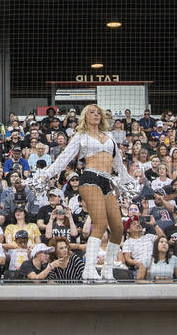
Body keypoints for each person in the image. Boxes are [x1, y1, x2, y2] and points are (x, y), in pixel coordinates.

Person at [38, 103, 133, 281]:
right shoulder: (81, 136)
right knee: (100, 222)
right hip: (90, 178)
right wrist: (47, 174)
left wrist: (129, 181)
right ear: (85, 116)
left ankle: (107, 270)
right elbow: (64, 157)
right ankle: (89, 269)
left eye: (98, 112)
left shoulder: (109, 136)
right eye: (92, 112)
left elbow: (118, 163)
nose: (96, 115)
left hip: (108, 180)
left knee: (118, 228)